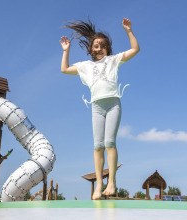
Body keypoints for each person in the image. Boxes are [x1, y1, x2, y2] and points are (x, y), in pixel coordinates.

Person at [60, 18, 140, 199]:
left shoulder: (113, 60)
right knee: (98, 146)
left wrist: (128, 31)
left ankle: (111, 182)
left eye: (102, 45)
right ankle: (99, 185)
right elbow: (64, 69)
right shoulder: (86, 66)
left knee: (110, 142)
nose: (98, 48)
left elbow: (135, 49)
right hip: (96, 106)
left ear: (107, 48)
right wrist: (66, 51)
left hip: (112, 104)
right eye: (95, 45)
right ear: (91, 48)